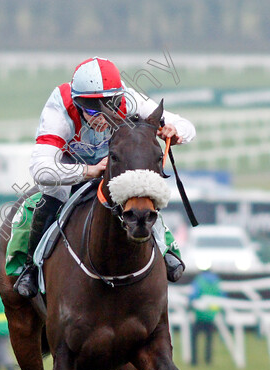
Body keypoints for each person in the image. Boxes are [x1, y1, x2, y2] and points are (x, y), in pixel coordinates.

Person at [14, 57, 197, 298]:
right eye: (92, 111)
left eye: (108, 109)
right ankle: (30, 266)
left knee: (140, 189)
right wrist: (88, 171)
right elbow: (40, 169)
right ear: (78, 104)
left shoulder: (129, 100)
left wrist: (175, 131)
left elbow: (187, 126)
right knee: (53, 193)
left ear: (118, 100)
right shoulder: (60, 107)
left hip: (111, 163)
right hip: (70, 165)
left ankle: (164, 250)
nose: (101, 119)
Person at [189, 270, 224, 367]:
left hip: (199, 314)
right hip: (212, 315)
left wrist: (190, 304)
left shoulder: (199, 280)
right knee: (209, 339)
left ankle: (194, 360)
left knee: (194, 338)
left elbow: (193, 295)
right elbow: (222, 295)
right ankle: (208, 359)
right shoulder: (217, 281)